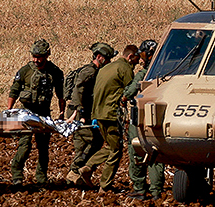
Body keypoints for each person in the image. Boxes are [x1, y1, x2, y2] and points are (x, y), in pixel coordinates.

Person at [78, 45, 139, 193]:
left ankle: (89, 166)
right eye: (136, 59)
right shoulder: (125, 69)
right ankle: (104, 186)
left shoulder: (106, 68)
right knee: (116, 150)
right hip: (111, 114)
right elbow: (130, 90)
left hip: (98, 114)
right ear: (130, 56)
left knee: (111, 146)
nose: (137, 63)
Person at [8, 39, 65, 187]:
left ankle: (41, 177)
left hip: (44, 113)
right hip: (26, 113)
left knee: (43, 146)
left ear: (46, 56)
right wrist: (9, 110)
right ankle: (17, 175)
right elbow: (14, 90)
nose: (36, 60)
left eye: (39, 57)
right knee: (24, 145)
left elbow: (61, 94)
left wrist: (62, 112)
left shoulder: (55, 72)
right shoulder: (25, 71)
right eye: (34, 56)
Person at [65, 42, 116, 185]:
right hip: (80, 112)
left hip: (83, 111)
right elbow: (78, 90)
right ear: (99, 57)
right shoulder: (90, 71)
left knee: (82, 145)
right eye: (107, 59)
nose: (108, 62)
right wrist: (78, 112)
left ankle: (75, 176)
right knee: (94, 141)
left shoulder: (94, 71)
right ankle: (74, 172)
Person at [124, 40, 165, 200]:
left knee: (136, 151)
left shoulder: (143, 75)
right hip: (158, 118)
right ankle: (156, 191)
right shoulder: (168, 73)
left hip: (141, 118)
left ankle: (139, 188)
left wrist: (123, 96)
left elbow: (128, 93)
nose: (140, 60)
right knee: (157, 154)